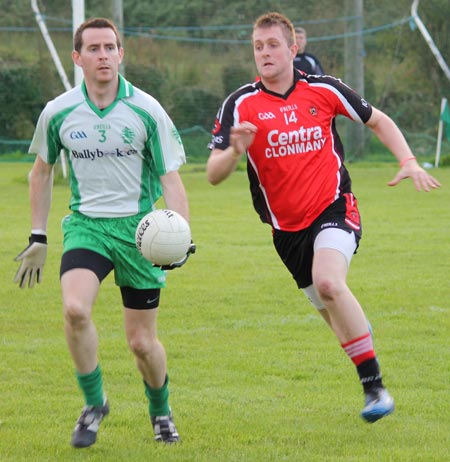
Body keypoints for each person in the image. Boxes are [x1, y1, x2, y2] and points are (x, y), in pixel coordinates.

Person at [207, 12, 440, 423]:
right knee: (334, 319)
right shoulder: (240, 104)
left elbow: (378, 120)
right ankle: (368, 378)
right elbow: (213, 175)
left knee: (331, 283)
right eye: (258, 47)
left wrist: (408, 160)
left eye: (273, 45)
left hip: (334, 208)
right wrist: (234, 150)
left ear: (293, 49)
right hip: (285, 232)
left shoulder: (324, 89)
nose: (265, 53)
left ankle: (376, 388)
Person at [14, 17, 195, 448]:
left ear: (121, 55)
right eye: (93, 49)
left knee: (141, 343)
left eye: (110, 48)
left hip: (140, 232)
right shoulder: (58, 111)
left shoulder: (146, 110)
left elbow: (171, 179)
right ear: (77, 58)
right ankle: (94, 404)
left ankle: (160, 411)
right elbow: (40, 174)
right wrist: (38, 236)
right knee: (75, 310)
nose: (103, 56)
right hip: (86, 227)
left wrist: (182, 236)